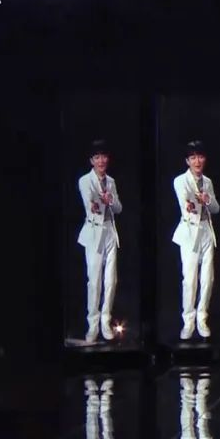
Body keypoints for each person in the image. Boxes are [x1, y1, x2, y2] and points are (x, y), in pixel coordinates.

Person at [172, 140, 220, 340]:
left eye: (200, 157)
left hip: (206, 232)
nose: (197, 161)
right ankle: (188, 320)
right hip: (190, 233)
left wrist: (208, 200)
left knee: (208, 278)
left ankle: (202, 318)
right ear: (187, 161)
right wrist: (195, 203)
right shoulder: (180, 181)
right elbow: (186, 203)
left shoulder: (207, 182)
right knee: (190, 279)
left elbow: (215, 208)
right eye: (193, 158)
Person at [77, 140, 123, 343]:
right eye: (97, 157)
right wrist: (98, 203)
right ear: (91, 161)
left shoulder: (111, 181)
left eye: (104, 156)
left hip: (110, 232)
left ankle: (106, 321)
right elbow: (90, 203)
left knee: (111, 280)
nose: (101, 161)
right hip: (94, 232)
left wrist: (111, 201)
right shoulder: (85, 180)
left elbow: (118, 208)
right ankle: (93, 324)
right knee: (94, 281)